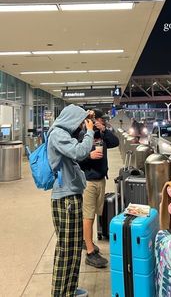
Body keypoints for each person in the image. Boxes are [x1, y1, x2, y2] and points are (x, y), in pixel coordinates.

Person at [47, 104, 97, 297]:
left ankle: (69, 289)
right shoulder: (57, 134)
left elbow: (75, 148)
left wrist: (86, 126)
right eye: (79, 121)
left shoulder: (64, 134)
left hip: (71, 195)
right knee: (66, 250)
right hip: (65, 198)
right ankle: (60, 292)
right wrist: (90, 132)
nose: (80, 126)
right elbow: (79, 152)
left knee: (74, 248)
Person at [79, 108, 119, 268]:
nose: (98, 123)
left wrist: (104, 130)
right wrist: (89, 156)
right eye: (95, 120)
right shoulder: (83, 135)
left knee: (94, 213)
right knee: (88, 215)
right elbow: (76, 157)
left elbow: (115, 142)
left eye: (100, 121)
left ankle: (88, 242)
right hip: (88, 181)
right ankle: (90, 252)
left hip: (101, 179)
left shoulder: (101, 134)